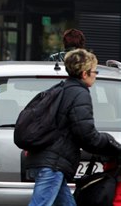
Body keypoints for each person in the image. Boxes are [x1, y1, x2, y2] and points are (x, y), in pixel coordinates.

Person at [25, 49, 121, 206]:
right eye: (94, 71)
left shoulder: (62, 88)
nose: (95, 75)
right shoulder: (79, 93)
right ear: (84, 74)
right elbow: (86, 135)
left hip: (49, 161)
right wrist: (111, 144)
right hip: (53, 165)